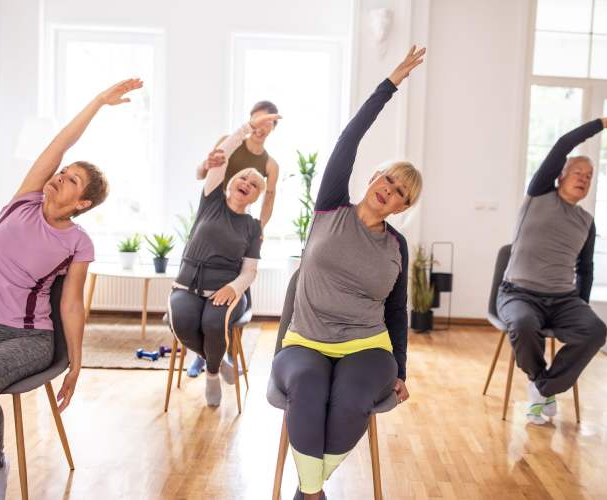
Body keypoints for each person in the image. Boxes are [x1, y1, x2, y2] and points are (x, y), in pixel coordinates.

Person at [0, 78, 142, 500]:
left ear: (82, 203)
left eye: (71, 181)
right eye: (64, 173)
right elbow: (61, 142)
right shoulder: (25, 200)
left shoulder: (78, 241)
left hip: (28, 337)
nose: (59, 177)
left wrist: (75, 363)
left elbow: (72, 305)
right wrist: (97, 100)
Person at [269, 46, 425, 500]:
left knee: (353, 398)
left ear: (403, 207)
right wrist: (390, 84)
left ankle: (307, 491)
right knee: (308, 388)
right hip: (305, 340)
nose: (388, 192)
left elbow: (398, 310)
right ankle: (313, 491)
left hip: (368, 345)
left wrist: (401, 367)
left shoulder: (397, 245)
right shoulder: (331, 206)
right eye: (388, 181)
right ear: (375, 177)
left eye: (400, 193)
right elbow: (348, 139)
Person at [498, 112, 607, 424]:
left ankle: (542, 387)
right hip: (519, 294)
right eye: (578, 172)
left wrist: (582, 308)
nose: (583, 178)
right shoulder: (538, 195)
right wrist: (602, 124)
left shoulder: (586, 222)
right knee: (522, 324)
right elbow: (563, 144)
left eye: (589, 176)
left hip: (563, 300)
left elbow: (585, 269)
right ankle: (540, 384)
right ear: (560, 175)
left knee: (595, 331)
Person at [169, 111, 281, 406]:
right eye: (243, 177)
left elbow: (250, 270)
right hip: (188, 284)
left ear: (256, 196)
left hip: (227, 288)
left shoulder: (252, 226)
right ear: (230, 182)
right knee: (181, 323)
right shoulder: (211, 199)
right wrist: (247, 128)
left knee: (214, 325)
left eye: (255, 184)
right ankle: (216, 362)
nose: (248, 182)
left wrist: (233, 288)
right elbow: (222, 154)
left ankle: (211, 374)